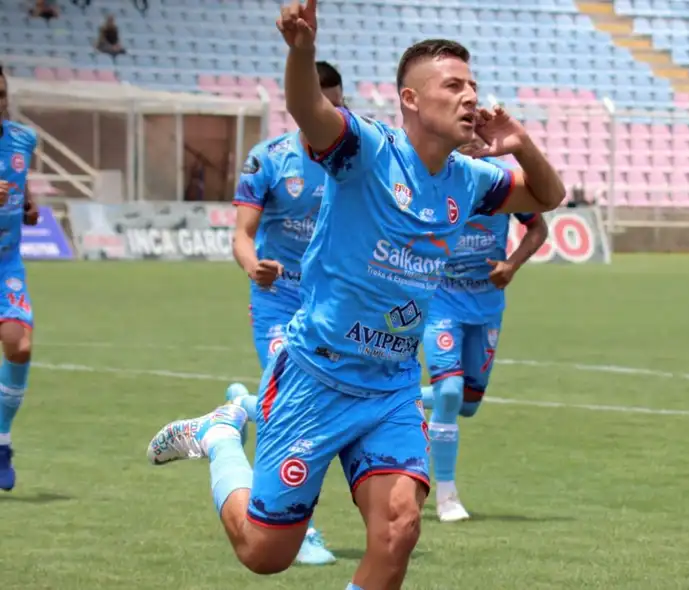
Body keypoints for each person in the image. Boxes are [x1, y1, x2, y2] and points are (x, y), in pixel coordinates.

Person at [145, 1, 565, 588]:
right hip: (316, 375)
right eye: (453, 84)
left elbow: (546, 196)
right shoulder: (367, 149)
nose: (471, 95)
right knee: (265, 553)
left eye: (473, 84)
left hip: (391, 383)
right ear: (411, 99)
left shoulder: (471, 180)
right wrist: (301, 52)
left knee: (398, 530)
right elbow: (307, 108)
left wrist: (521, 144)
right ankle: (219, 436)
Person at [221, 61, 345, 566]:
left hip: (331, 303)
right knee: (293, 397)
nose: (334, 113)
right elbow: (241, 235)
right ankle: (303, 528)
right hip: (277, 300)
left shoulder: (356, 157)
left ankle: (243, 408)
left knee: (319, 402)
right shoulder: (269, 159)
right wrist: (255, 268)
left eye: (340, 102)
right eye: (325, 102)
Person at [420, 145, 549, 522]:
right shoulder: (431, 178)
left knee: (468, 404)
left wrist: (511, 265)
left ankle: (400, 396)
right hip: (441, 300)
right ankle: (446, 496)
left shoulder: (501, 183)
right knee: (449, 391)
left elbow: (538, 225)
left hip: (487, 304)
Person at [0, 66, 41, 491]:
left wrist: (28, 207)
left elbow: (22, 185)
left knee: (20, 344)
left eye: (1, 93)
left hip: (5, 264)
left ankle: (2, 440)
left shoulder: (22, 140)